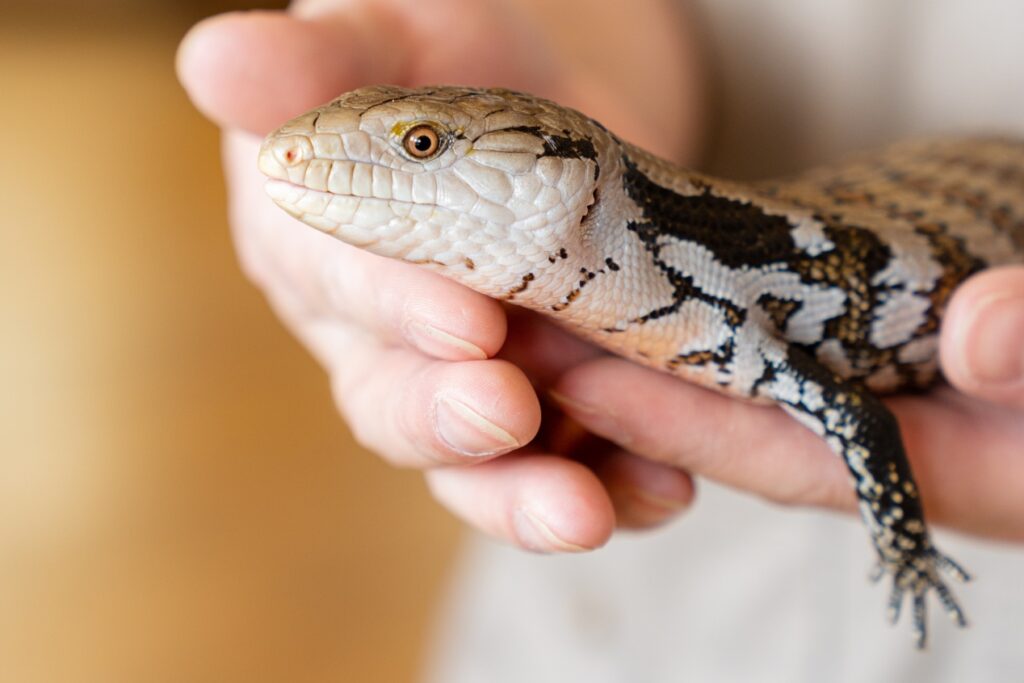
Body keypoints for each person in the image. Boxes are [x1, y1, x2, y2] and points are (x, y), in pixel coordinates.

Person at [178, 1, 1024, 679]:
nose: (318, 157)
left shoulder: (725, 305)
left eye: (423, 147)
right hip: (608, 636)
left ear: (567, 173)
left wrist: (905, 552)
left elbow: (858, 418)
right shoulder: (667, 283)